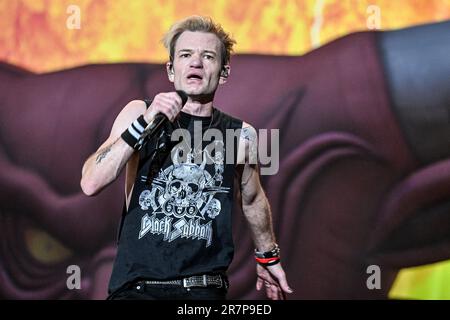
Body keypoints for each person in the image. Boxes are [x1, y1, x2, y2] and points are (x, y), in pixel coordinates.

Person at [80, 15, 292, 300]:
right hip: (137, 288)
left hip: (202, 290)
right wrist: (144, 123)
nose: (196, 63)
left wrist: (268, 257)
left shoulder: (242, 135)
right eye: (185, 55)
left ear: (224, 71)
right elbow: (91, 183)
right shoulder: (137, 113)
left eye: (207, 56)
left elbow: (253, 199)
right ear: (171, 69)